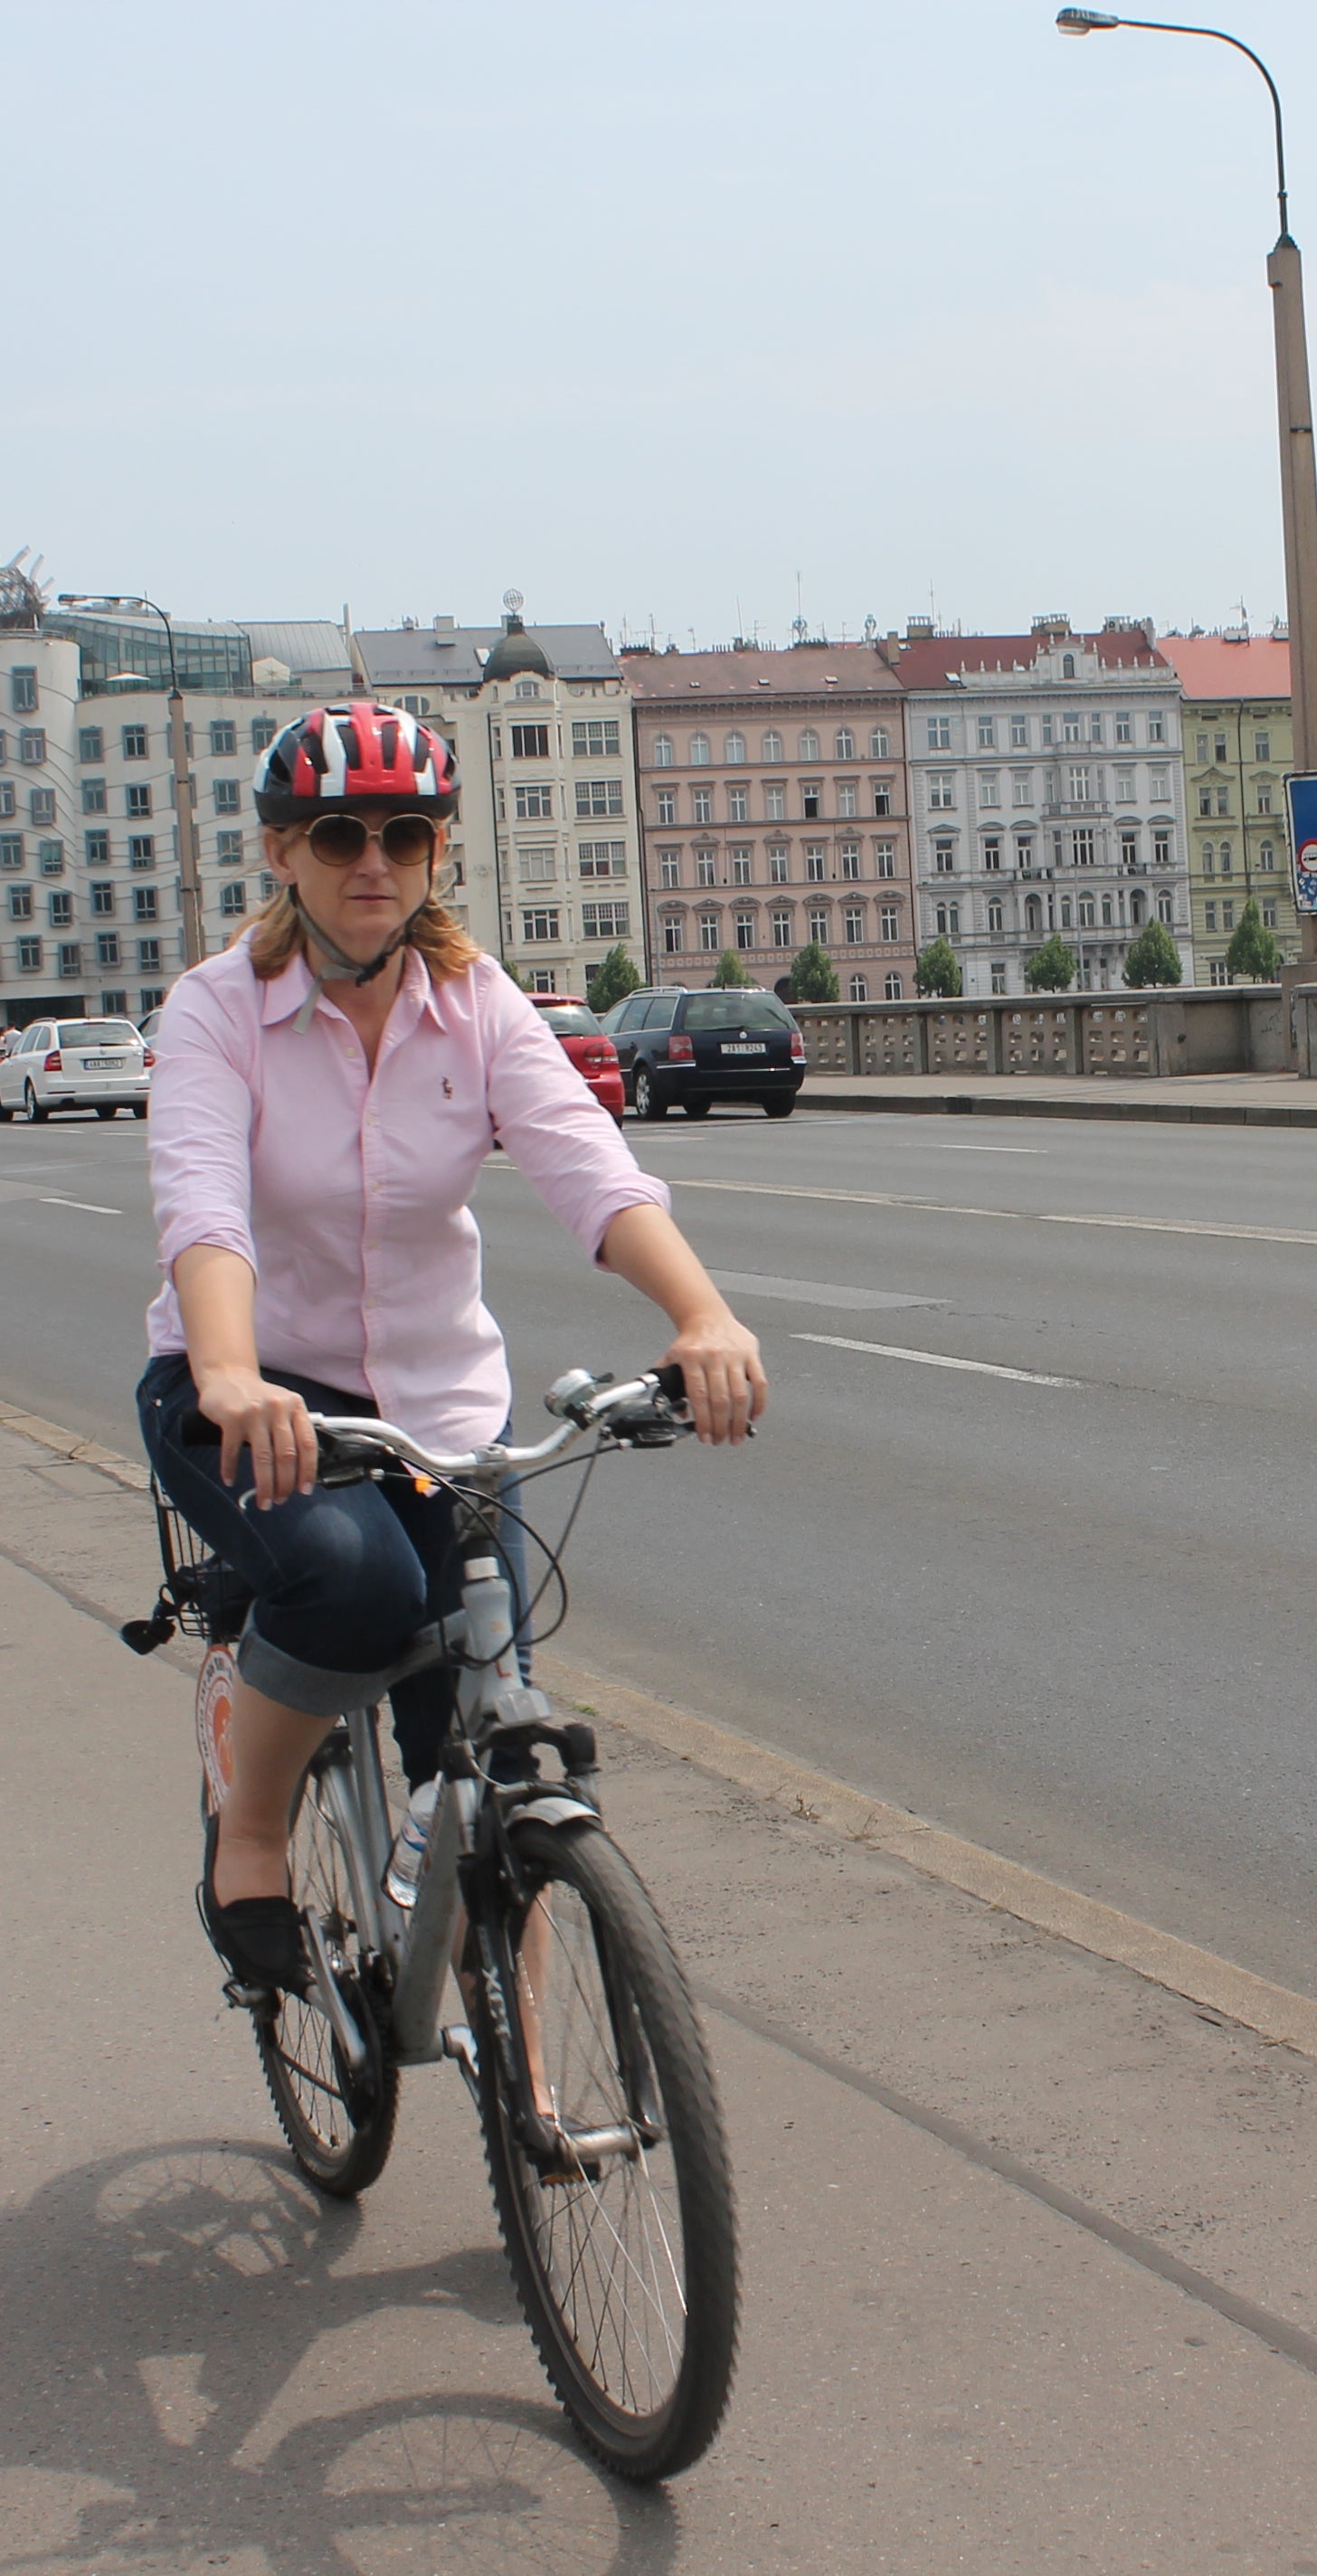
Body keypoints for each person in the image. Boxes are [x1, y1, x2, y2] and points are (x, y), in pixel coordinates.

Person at [139, 703, 765, 1989]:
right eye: (340, 833)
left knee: (479, 1744)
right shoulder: (217, 1012)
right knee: (359, 1587)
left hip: (442, 1413)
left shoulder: (476, 1003)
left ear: (438, 855)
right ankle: (250, 1833)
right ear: (283, 853)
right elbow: (203, 1208)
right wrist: (227, 1370)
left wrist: (700, 1314)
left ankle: (526, 2089)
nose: (375, 861)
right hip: (252, 1391)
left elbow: (591, 1171)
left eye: (407, 835)